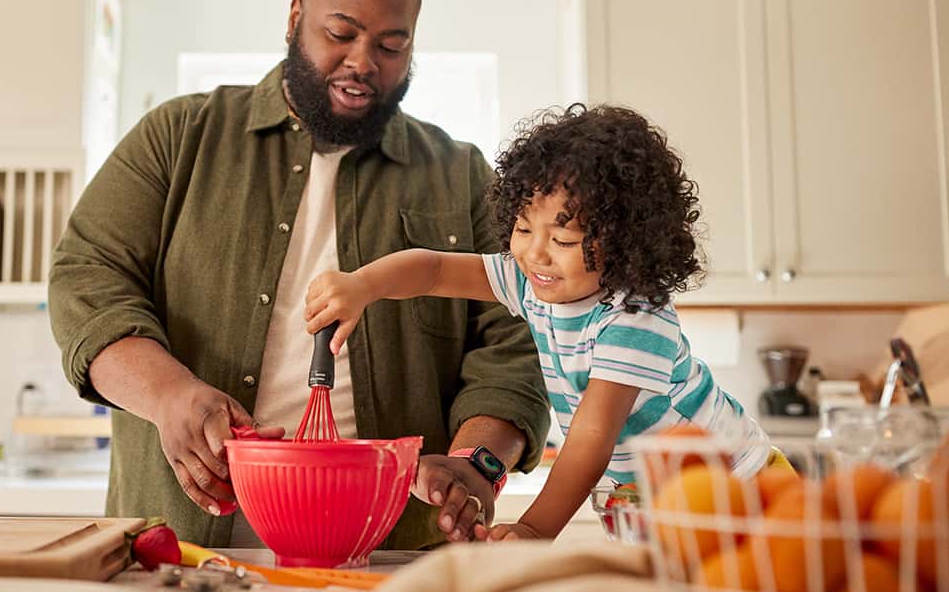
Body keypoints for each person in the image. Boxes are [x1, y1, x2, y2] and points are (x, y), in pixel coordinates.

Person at [48, 0, 549, 550]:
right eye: (341, 34)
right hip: (187, 544)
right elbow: (86, 279)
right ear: (295, 18)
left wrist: (478, 463)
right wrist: (169, 395)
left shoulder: (461, 175)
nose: (364, 62)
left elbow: (519, 338)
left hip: (393, 550)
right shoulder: (178, 137)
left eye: (392, 45)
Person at [304, 104, 774, 541]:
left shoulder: (635, 318)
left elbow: (592, 439)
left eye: (564, 240)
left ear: (626, 241)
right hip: (658, 505)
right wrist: (362, 286)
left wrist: (533, 530)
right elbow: (437, 269)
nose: (535, 252)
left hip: (745, 493)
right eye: (524, 228)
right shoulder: (530, 281)